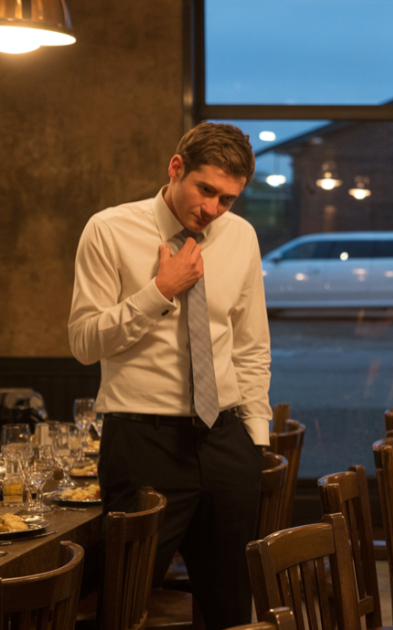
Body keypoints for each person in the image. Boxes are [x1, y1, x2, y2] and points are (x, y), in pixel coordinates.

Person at [68, 122, 270, 628]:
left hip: (225, 441)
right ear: (176, 167)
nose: (213, 210)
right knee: (125, 608)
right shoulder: (109, 229)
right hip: (142, 443)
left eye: (228, 199)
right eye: (206, 191)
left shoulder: (241, 235)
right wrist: (159, 292)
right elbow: (84, 343)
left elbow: (251, 344)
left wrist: (255, 438)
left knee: (229, 610)